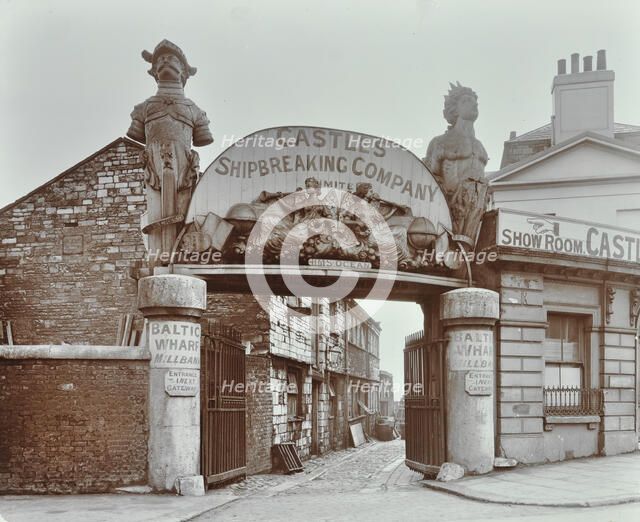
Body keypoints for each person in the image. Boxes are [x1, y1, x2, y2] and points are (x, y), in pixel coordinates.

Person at [424, 82, 489, 247]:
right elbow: (429, 176)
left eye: (475, 101)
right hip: (450, 212)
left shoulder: (480, 145)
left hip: (476, 212)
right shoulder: (441, 141)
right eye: (466, 101)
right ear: (454, 109)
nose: (473, 104)